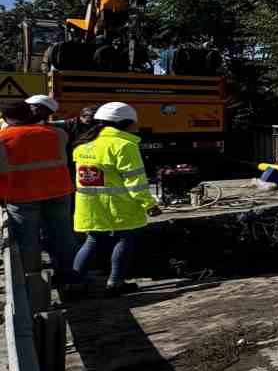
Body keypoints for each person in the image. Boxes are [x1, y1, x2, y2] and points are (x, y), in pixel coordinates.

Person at [73, 102, 160, 297]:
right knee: (124, 238)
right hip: (118, 204)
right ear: (125, 123)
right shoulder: (124, 146)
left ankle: (73, 285)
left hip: (89, 204)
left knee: (92, 241)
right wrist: (149, 204)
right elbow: (135, 181)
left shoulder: (84, 144)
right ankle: (115, 283)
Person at [0, 101, 81, 297]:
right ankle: (71, 278)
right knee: (63, 236)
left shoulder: (3, 138)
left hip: (22, 195)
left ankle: (33, 282)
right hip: (59, 192)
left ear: (6, 118)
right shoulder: (57, 134)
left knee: (28, 240)